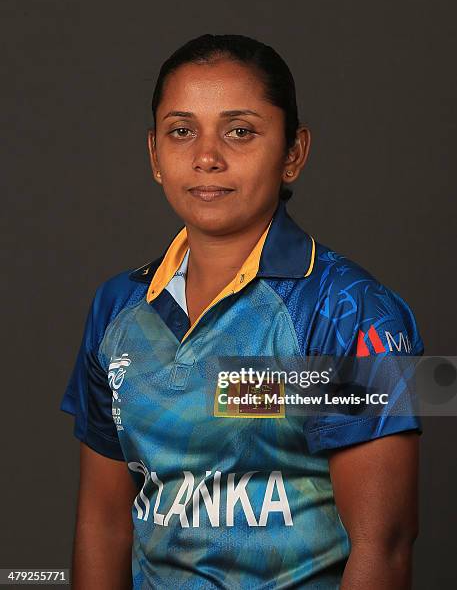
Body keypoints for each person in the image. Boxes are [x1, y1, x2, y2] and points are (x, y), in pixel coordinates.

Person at [60, 34, 424, 589]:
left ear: (293, 153)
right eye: (182, 131)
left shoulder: (353, 312)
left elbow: (385, 548)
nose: (207, 157)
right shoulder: (117, 306)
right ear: (155, 155)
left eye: (240, 131)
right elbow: (103, 525)